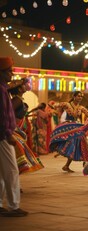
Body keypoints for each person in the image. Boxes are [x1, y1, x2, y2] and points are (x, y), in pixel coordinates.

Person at [0, 57, 28, 217]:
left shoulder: (3, 88)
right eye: (9, 71)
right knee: (11, 170)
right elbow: (2, 114)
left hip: (3, 134)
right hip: (3, 135)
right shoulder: (1, 90)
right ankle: (13, 205)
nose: (12, 74)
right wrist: (8, 133)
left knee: (1, 172)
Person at [49, 91, 88, 172]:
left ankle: (81, 161)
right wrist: (53, 107)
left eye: (81, 96)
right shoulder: (66, 104)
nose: (80, 98)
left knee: (80, 143)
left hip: (76, 128)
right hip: (68, 127)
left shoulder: (81, 107)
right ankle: (76, 163)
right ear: (74, 96)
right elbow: (53, 105)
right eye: (78, 96)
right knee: (72, 144)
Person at [8, 79, 44, 174]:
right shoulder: (17, 100)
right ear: (19, 89)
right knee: (17, 159)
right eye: (24, 85)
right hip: (12, 130)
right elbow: (7, 113)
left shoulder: (18, 99)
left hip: (16, 130)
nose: (26, 86)